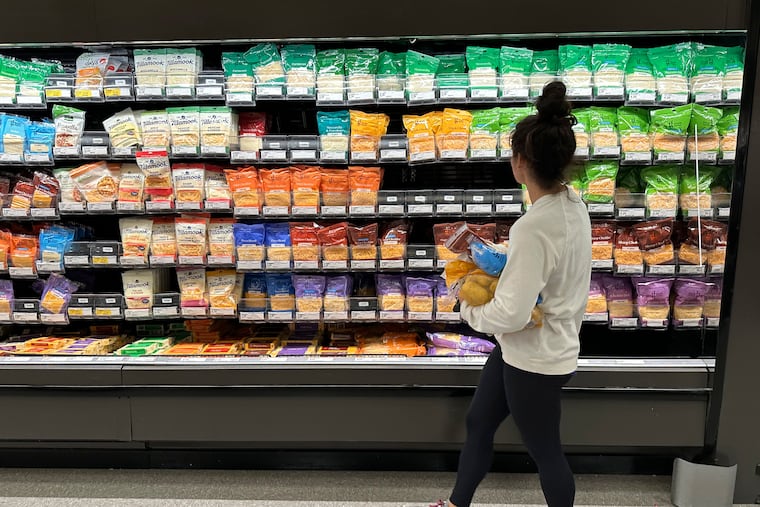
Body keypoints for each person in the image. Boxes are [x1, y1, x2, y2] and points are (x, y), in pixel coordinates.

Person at [431, 81, 592, 507]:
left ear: (520, 162)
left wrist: (463, 305)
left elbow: (510, 313)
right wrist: (497, 255)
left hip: (536, 358)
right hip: (525, 349)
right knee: (480, 421)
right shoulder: (572, 205)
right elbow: (547, 262)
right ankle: (456, 503)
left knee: (546, 453)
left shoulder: (535, 226)